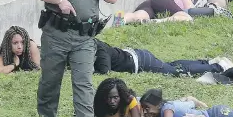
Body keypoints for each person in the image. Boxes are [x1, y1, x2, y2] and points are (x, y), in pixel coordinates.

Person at [94, 39, 224, 76]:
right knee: (170, 65)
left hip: (141, 62)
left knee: (175, 71)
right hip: (138, 56)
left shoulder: (100, 50)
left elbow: (104, 71)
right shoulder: (98, 44)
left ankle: (215, 67)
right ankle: (203, 63)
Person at [112, 0, 194, 27]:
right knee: (187, 18)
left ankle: (121, 18)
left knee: (137, 16)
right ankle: (156, 22)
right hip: (163, 0)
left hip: (148, 3)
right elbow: (191, 9)